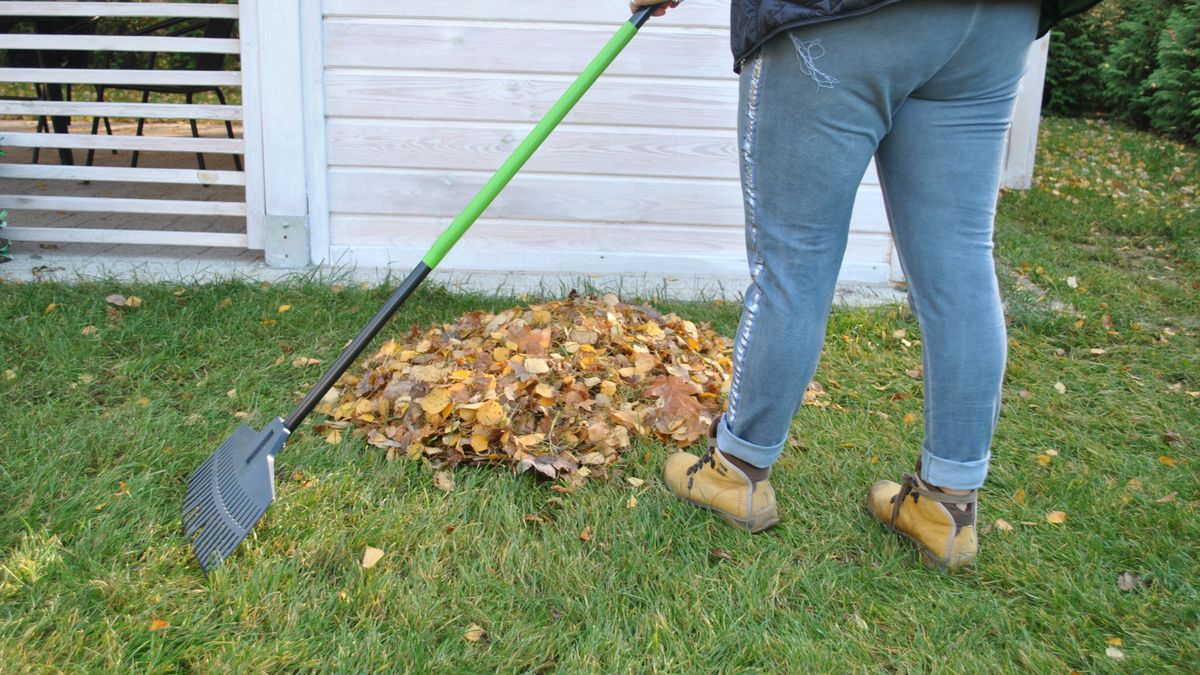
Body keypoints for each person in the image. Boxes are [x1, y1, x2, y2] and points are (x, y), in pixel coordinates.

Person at [635, 0, 1102, 571]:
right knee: (959, 263)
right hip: (995, 23)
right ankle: (946, 507)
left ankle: (735, 473)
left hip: (839, 21)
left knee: (794, 264)